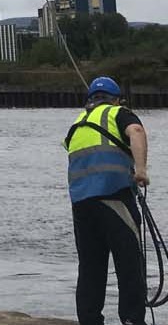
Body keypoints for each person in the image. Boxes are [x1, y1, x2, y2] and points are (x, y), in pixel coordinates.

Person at [66, 76, 149, 325]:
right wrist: (141, 169)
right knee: (130, 264)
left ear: (89, 100)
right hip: (114, 198)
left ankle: (90, 320)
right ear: (116, 99)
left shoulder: (77, 124)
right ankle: (132, 320)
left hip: (81, 205)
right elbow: (136, 131)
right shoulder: (118, 113)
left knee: (91, 267)